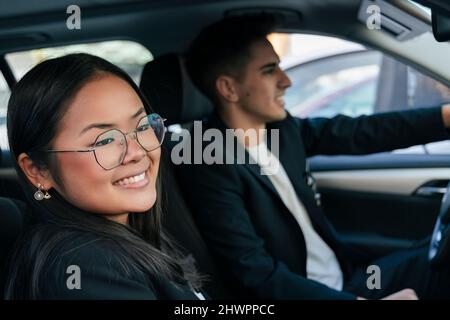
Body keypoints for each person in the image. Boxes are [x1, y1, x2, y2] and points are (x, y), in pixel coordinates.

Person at [179, 14, 450, 299]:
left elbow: (360, 132)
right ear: (229, 89)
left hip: (349, 275)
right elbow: (255, 274)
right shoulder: (208, 160)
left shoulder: (282, 129)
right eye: (270, 70)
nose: (287, 81)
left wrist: (444, 118)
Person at [4, 53, 205, 300]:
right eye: (105, 140)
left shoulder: (124, 237)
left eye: (142, 127)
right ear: (38, 170)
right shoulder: (84, 266)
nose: (136, 151)